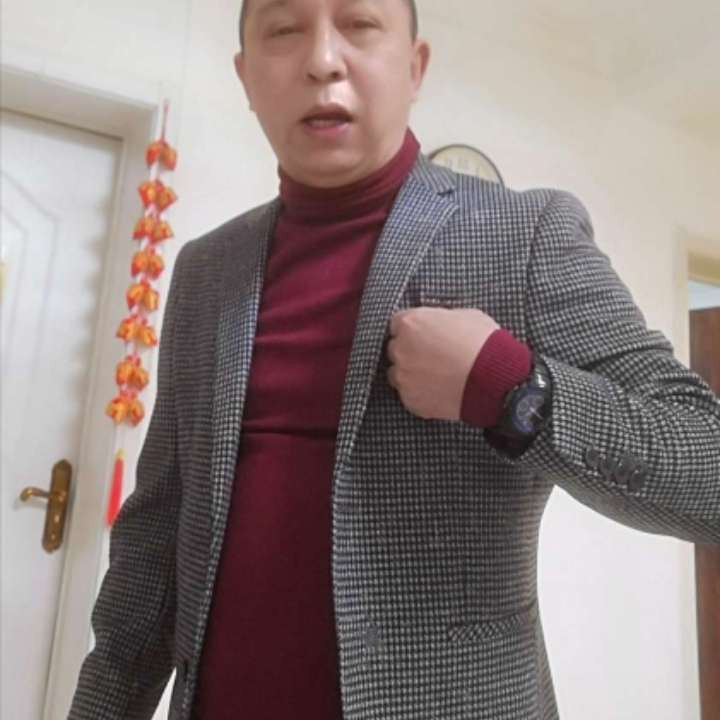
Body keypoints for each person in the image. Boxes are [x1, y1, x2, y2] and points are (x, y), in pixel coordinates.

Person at [68, 1, 720, 718]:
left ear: (415, 68)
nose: (322, 60)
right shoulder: (206, 270)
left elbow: (707, 466)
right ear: (246, 77)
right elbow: (156, 539)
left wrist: (510, 389)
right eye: (284, 30)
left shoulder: (524, 234)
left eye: (358, 24)